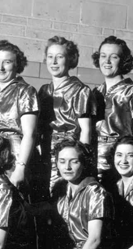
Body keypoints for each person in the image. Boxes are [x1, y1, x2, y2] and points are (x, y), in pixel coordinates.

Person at [0, 40, 39, 191]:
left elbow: (30, 134)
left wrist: (20, 168)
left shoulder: (26, 91)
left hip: (13, 153)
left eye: (7, 62)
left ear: (17, 65)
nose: (0, 67)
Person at [38, 36, 96, 193]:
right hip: (45, 154)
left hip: (67, 153)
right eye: (50, 57)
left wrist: (81, 159)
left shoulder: (80, 90)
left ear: (70, 59)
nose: (54, 62)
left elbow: (86, 131)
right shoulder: (44, 90)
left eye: (60, 56)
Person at [92, 36, 133, 190]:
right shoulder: (94, 92)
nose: (107, 61)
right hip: (95, 160)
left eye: (114, 57)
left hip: (120, 160)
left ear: (124, 60)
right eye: (103, 56)